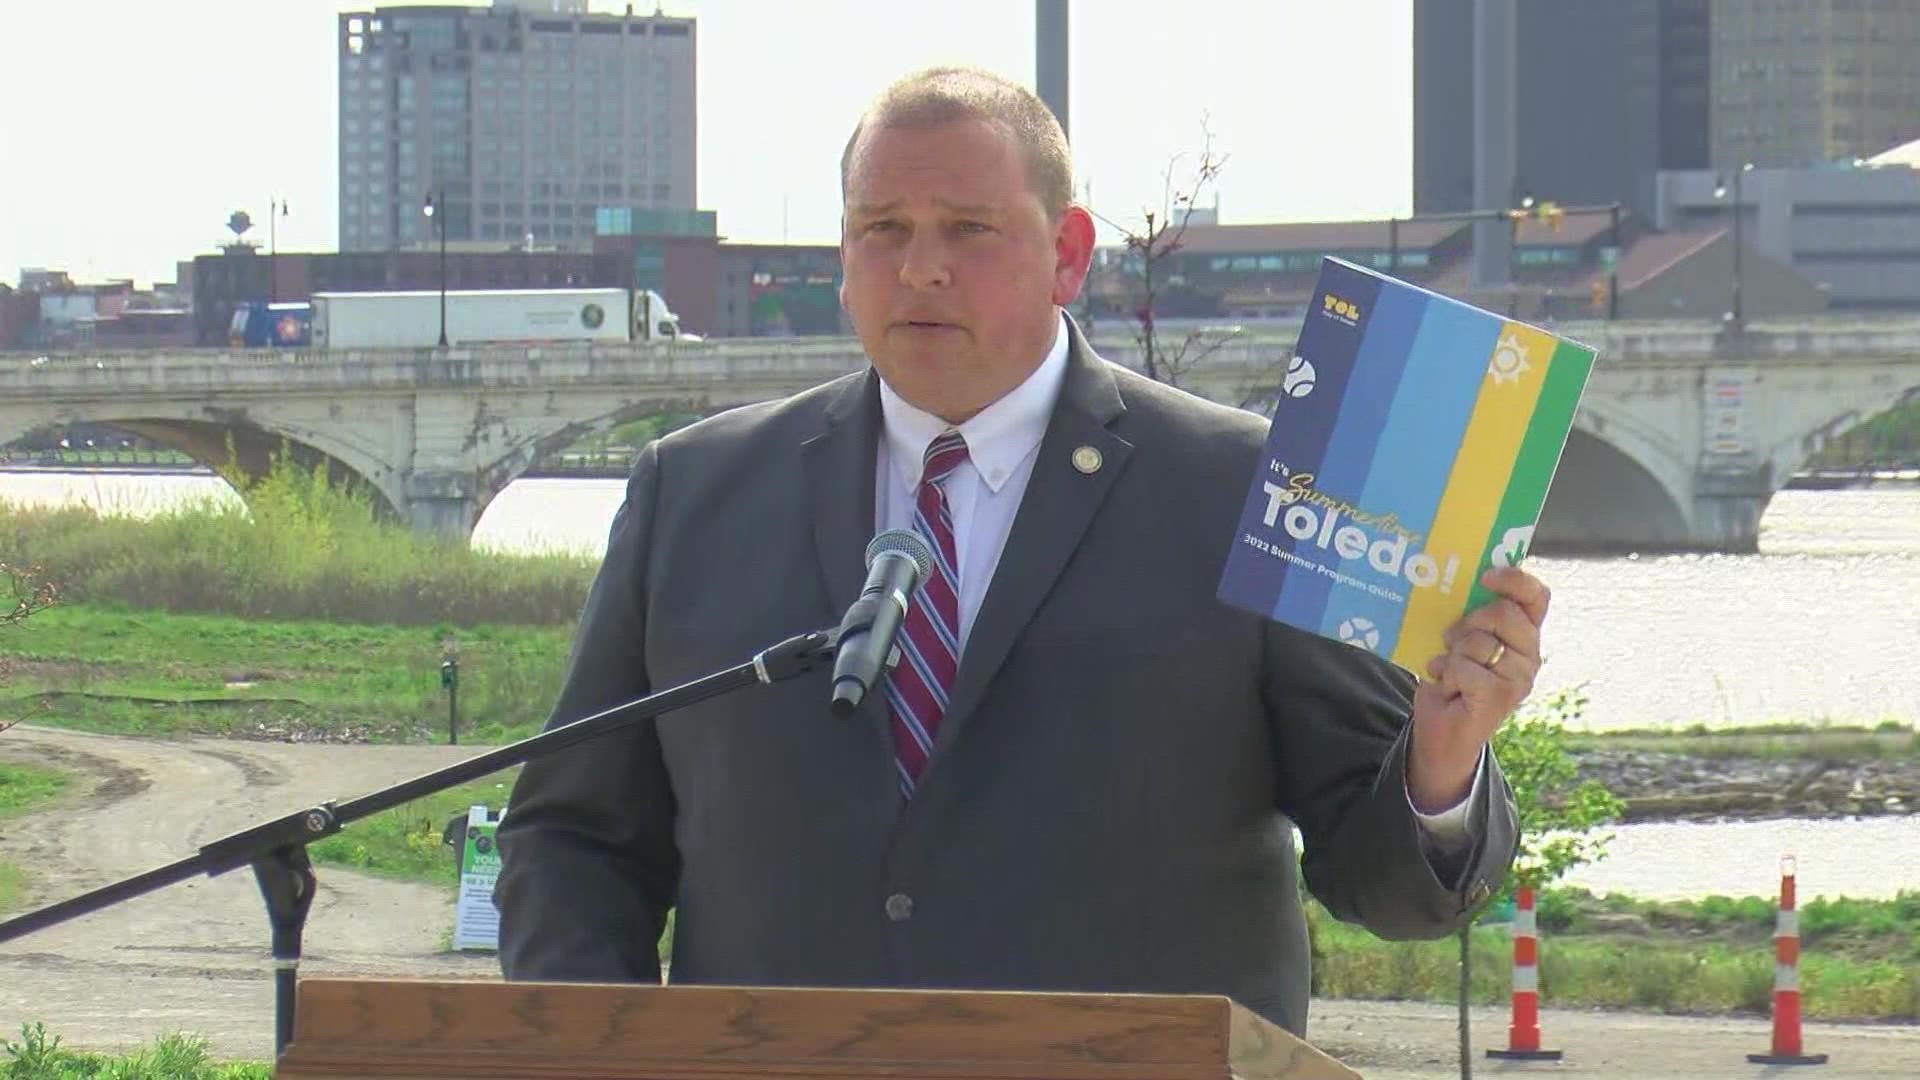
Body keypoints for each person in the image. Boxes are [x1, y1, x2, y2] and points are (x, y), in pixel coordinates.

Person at [494, 65, 1547, 1037]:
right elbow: (572, 840)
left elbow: (1383, 879)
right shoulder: (697, 492)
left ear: (1070, 254)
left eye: (968, 230)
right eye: (882, 228)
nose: (920, 269)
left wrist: (1441, 768)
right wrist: (604, 1047)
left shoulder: (1252, 490)